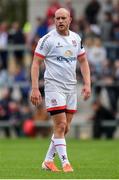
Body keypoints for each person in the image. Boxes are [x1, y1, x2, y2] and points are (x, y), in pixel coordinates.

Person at [30, 8, 91, 172]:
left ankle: (48, 160)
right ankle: (65, 163)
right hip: (53, 86)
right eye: (57, 18)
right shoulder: (47, 39)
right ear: (54, 20)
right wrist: (35, 88)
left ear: (70, 19)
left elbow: (83, 61)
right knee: (61, 125)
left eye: (63, 18)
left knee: (65, 128)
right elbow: (36, 63)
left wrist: (87, 84)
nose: (60, 21)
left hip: (71, 87)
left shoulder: (76, 38)